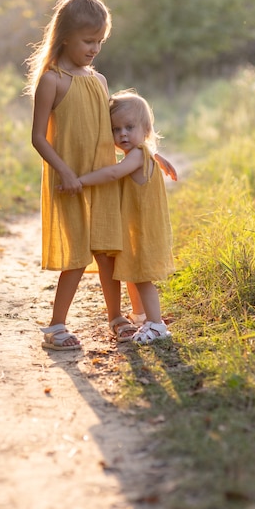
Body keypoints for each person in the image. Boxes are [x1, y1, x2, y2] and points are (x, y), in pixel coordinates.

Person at [28, 0, 176, 350]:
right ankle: (56, 327)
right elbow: (37, 137)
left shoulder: (98, 79)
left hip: (102, 179)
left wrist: (151, 155)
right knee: (77, 255)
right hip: (71, 182)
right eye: (88, 40)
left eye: (100, 41)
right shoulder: (53, 80)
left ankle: (117, 318)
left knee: (108, 252)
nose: (95, 48)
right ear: (65, 36)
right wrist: (64, 172)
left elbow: (116, 137)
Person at [77, 89, 175, 344]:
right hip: (139, 229)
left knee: (143, 279)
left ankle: (157, 325)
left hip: (142, 231)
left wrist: (80, 180)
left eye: (129, 127)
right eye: (115, 129)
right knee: (133, 274)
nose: (122, 134)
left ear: (145, 129)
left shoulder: (135, 156)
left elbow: (112, 174)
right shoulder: (144, 153)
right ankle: (141, 316)